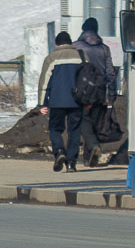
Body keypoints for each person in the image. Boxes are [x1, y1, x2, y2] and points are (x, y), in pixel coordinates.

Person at [72, 17, 118, 167]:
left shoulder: (75, 46)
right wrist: (111, 93)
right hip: (100, 90)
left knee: (83, 119)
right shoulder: (104, 48)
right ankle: (89, 159)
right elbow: (110, 72)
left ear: (83, 30)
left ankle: (93, 147)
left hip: (82, 90)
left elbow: (71, 69)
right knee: (96, 122)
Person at [38, 31, 84, 172]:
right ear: (70, 43)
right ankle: (71, 163)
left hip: (57, 101)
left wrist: (42, 103)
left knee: (55, 129)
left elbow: (44, 82)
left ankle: (59, 151)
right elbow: (89, 78)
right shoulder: (82, 56)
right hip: (78, 100)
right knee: (74, 131)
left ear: (57, 44)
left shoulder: (51, 57)